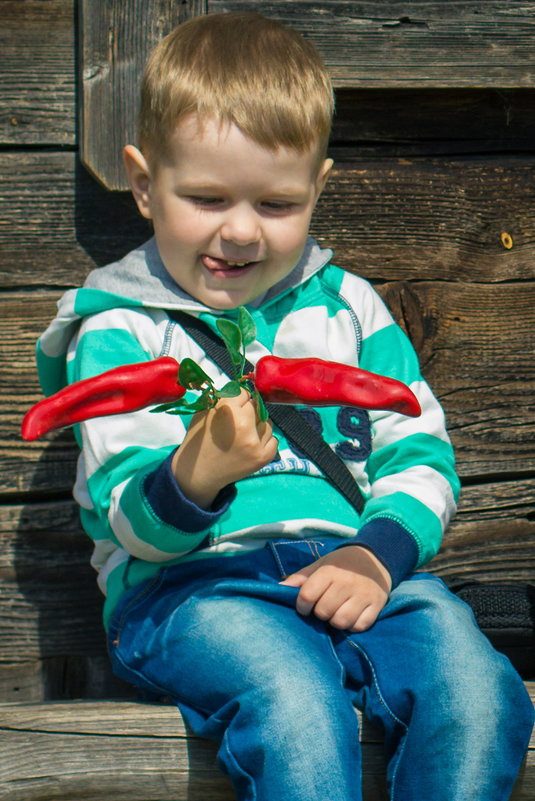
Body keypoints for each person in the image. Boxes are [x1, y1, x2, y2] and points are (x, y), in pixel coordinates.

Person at [35, 11, 533, 800]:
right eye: (205, 196)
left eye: (275, 205)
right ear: (142, 184)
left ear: (317, 188)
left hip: (356, 571)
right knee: (295, 704)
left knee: (478, 691)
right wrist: (195, 473)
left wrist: (377, 553)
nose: (238, 232)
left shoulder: (351, 311)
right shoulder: (120, 328)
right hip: (191, 592)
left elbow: (420, 453)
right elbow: (126, 516)